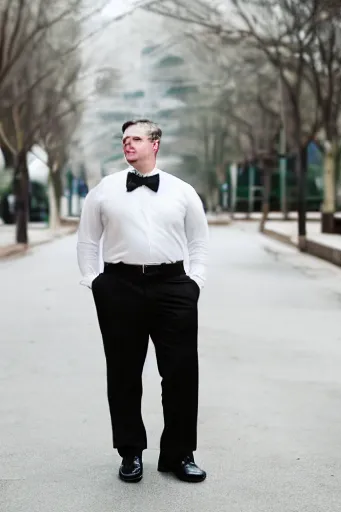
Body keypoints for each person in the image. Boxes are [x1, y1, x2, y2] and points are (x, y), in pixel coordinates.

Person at [76, 119, 209, 484]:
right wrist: (95, 283)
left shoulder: (182, 191)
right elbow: (88, 241)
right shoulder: (105, 190)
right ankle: (130, 452)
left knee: (181, 373)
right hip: (119, 286)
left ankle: (180, 454)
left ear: (155, 144)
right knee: (123, 373)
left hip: (174, 286)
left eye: (135, 138)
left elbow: (199, 242)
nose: (127, 144)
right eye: (124, 139)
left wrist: (194, 283)